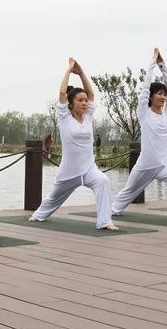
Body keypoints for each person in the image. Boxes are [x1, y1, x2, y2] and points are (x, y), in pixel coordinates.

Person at [29, 58, 119, 230]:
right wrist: (69, 71)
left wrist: (82, 72)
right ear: (71, 103)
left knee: (103, 181)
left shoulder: (88, 116)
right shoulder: (64, 118)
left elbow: (91, 94)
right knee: (54, 197)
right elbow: (62, 93)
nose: (85, 103)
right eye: (80, 100)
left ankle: (105, 221)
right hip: (69, 170)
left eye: (85, 101)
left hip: (89, 169)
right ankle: (39, 214)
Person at [111, 48, 167, 223]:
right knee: (129, 191)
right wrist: (153, 62)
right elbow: (144, 89)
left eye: (164, 95)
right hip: (145, 165)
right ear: (151, 97)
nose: (163, 97)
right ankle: (112, 210)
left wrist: (162, 65)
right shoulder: (144, 113)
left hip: (164, 166)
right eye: (159, 94)